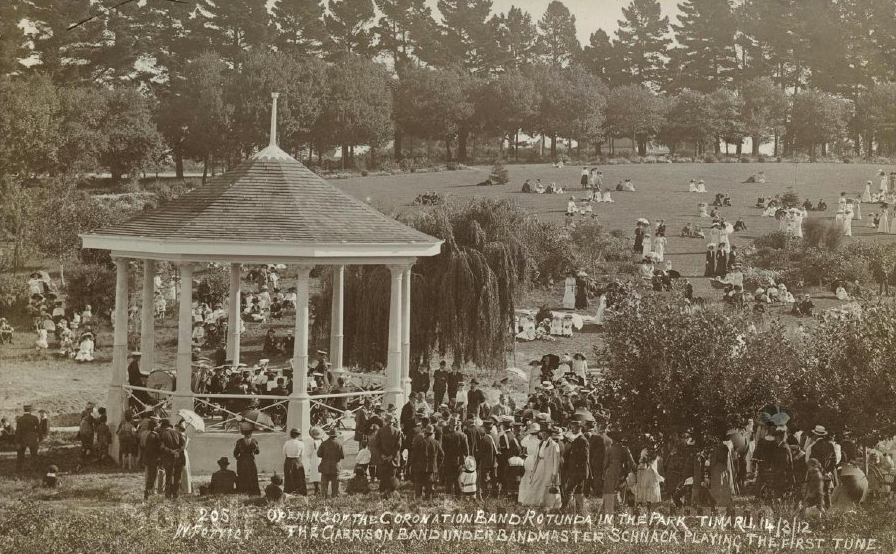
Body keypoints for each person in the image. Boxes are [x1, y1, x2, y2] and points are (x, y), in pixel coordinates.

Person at [561, 419, 590, 514]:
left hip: (578, 471)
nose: (572, 429)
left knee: (569, 490)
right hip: (577, 471)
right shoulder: (577, 439)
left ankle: (563, 509)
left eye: (574, 428)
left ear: (579, 428)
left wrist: (576, 466)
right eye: (571, 427)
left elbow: (585, 458)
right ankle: (580, 511)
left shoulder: (582, 440)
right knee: (578, 492)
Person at [410, 424, 444, 500]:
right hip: (431, 469)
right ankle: (428, 502)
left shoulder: (420, 442)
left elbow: (413, 455)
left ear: (425, 432)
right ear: (432, 434)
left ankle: (418, 501)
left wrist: (413, 464)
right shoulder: (436, 443)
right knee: (429, 488)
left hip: (419, 468)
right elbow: (442, 455)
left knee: (418, 486)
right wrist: (437, 465)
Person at [372, 413, 402, 497]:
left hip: (382, 459)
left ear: (385, 421)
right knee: (392, 477)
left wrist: (382, 455)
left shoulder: (380, 431)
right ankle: (392, 494)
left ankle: (382, 494)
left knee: (383, 477)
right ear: (392, 422)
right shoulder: (397, 431)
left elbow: (377, 445)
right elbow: (398, 446)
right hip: (393, 460)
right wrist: (391, 456)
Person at [441, 418, 469, 496]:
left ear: (449, 425)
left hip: (448, 460)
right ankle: (458, 497)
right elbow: (466, 451)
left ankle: (448, 496)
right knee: (458, 479)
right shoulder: (463, 435)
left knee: (448, 479)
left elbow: (443, 449)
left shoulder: (445, 436)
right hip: (459, 461)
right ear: (457, 426)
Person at [233, 427, 260, 496]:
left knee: (242, 476)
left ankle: (243, 491)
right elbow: (257, 452)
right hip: (250, 461)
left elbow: (235, 453)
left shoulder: (239, 442)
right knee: (252, 476)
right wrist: (254, 449)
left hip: (242, 461)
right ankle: (253, 492)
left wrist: (238, 458)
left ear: (244, 434)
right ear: (251, 434)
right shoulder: (254, 441)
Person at [317, 428, 344, 498]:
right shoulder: (339, 444)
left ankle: (324, 497)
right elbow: (342, 456)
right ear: (336, 436)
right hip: (335, 467)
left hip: (325, 467)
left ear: (329, 435)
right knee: (335, 486)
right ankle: (334, 497)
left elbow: (319, 454)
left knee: (324, 485)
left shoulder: (323, 443)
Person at [15, 404, 40, 471]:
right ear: (30, 410)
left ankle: (18, 470)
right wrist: (37, 437)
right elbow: (38, 429)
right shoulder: (34, 418)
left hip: (22, 440)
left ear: (24, 410)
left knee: (20, 455)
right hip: (32, 439)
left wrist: (17, 442)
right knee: (34, 455)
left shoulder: (20, 419)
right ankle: (36, 469)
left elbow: (17, 432)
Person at [283, 428, 307, 495]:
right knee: (299, 477)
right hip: (297, 460)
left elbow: (284, 453)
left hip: (288, 461)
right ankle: (299, 492)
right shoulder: (301, 444)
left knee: (288, 476)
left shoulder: (286, 443)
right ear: (298, 435)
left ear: (291, 435)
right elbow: (302, 454)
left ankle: (289, 492)